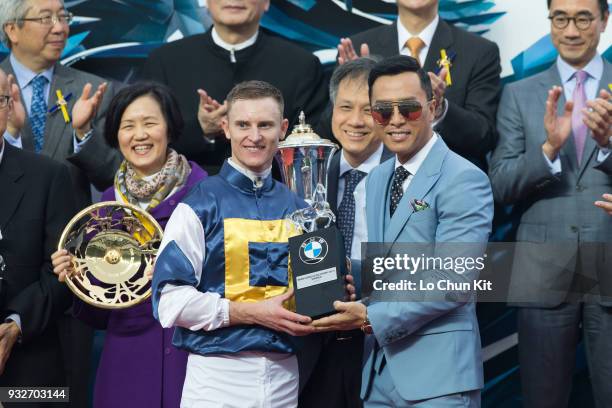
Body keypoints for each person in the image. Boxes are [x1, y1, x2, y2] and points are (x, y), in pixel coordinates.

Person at [312, 56, 493, 407]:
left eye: (408, 109)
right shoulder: (380, 177)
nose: (394, 120)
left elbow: (453, 281)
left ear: (433, 106)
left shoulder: (463, 178)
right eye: (382, 111)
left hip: (439, 377)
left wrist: (368, 315)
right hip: (378, 373)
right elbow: (388, 270)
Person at [151, 80, 322, 407]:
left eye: (265, 125)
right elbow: (169, 301)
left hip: (286, 378)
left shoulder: (301, 210)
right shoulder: (198, 205)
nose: (254, 136)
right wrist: (251, 313)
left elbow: (313, 298)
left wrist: (334, 294)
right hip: (217, 378)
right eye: (243, 124)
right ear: (225, 127)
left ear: (283, 129)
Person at [51, 82, 207, 408]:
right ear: (115, 135)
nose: (140, 135)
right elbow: (98, 313)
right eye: (128, 126)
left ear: (170, 127)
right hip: (127, 364)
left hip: (195, 362)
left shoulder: (207, 195)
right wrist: (76, 278)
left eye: (150, 123)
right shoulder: (106, 208)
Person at [489, 0, 611, 406]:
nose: (571, 30)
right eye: (561, 18)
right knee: (543, 398)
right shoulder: (518, 94)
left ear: (605, 21)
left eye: (582, 18)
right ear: (550, 22)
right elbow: (501, 184)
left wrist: (609, 146)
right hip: (542, 267)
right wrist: (547, 149)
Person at [0, 2, 122, 401]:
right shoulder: (2, 91)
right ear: (12, 29)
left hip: (66, 272)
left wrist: (83, 135)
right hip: (14, 269)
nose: (59, 27)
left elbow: (113, 177)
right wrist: (12, 137)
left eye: (64, 17)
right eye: (45, 17)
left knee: (54, 389)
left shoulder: (97, 90)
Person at [299, 57, 393, 408]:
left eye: (368, 110)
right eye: (345, 107)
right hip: (318, 347)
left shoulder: (410, 179)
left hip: (385, 341)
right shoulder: (305, 175)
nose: (355, 121)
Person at [140, 0, 328, 175]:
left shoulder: (301, 65)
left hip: (274, 199)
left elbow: (310, 150)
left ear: (266, 3)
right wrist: (202, 131)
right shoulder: (165, 62)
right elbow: (146, 141)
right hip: (183, 196)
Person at [336, 0, 501, 171]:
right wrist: (355, 92)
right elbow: (329, 128)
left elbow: (484, 137)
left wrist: (441, 109)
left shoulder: (478, 51)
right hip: (374, 180)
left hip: (445, 180)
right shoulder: (359, 46)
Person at [0, 68, 75, 406]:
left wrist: (15, 325)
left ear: (9, 105)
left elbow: (62, 273)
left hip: (31, 364)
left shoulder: (49, 176)